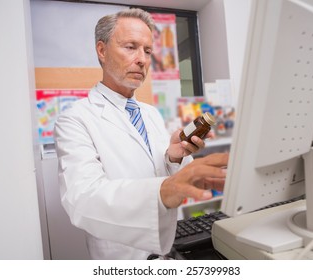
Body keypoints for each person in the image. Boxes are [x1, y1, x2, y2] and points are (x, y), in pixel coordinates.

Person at [54, 8, 228, 260]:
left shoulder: (150, 113)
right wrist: (162, 190)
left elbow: (164, 174)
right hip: (123, 259)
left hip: (168, 249)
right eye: (130, 47)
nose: (142, 59)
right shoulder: (75, 119)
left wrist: (174, 158)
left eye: (147, 51)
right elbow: (82, 200)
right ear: (102, 51)